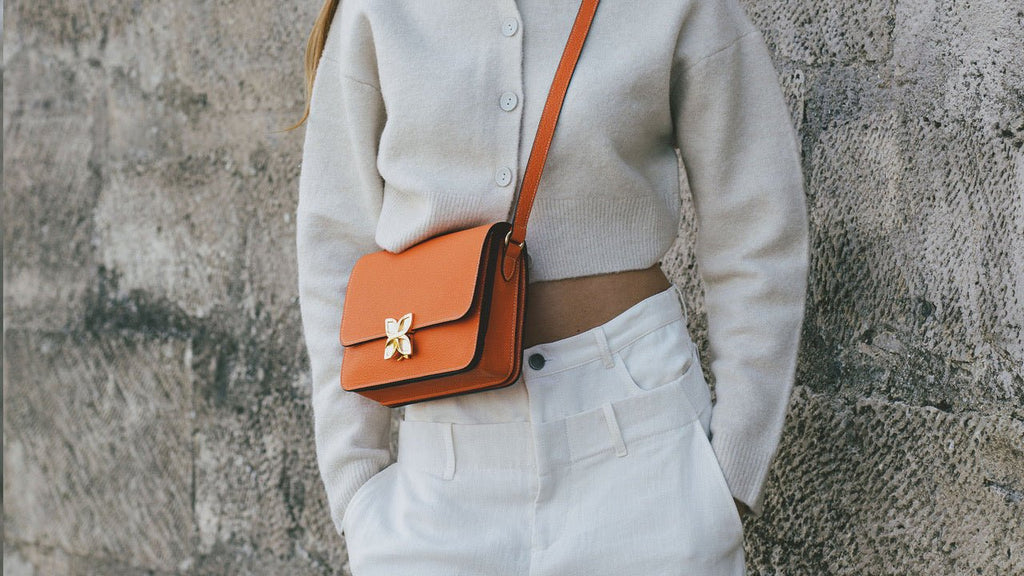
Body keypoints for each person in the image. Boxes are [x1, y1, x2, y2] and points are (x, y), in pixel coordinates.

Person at [291, 0, 809, 573]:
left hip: (644, 452)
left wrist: (730, 477)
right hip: (440, 468)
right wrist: (356, 485)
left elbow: (757, 226)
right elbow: (334, 249)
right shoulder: (379, 11)